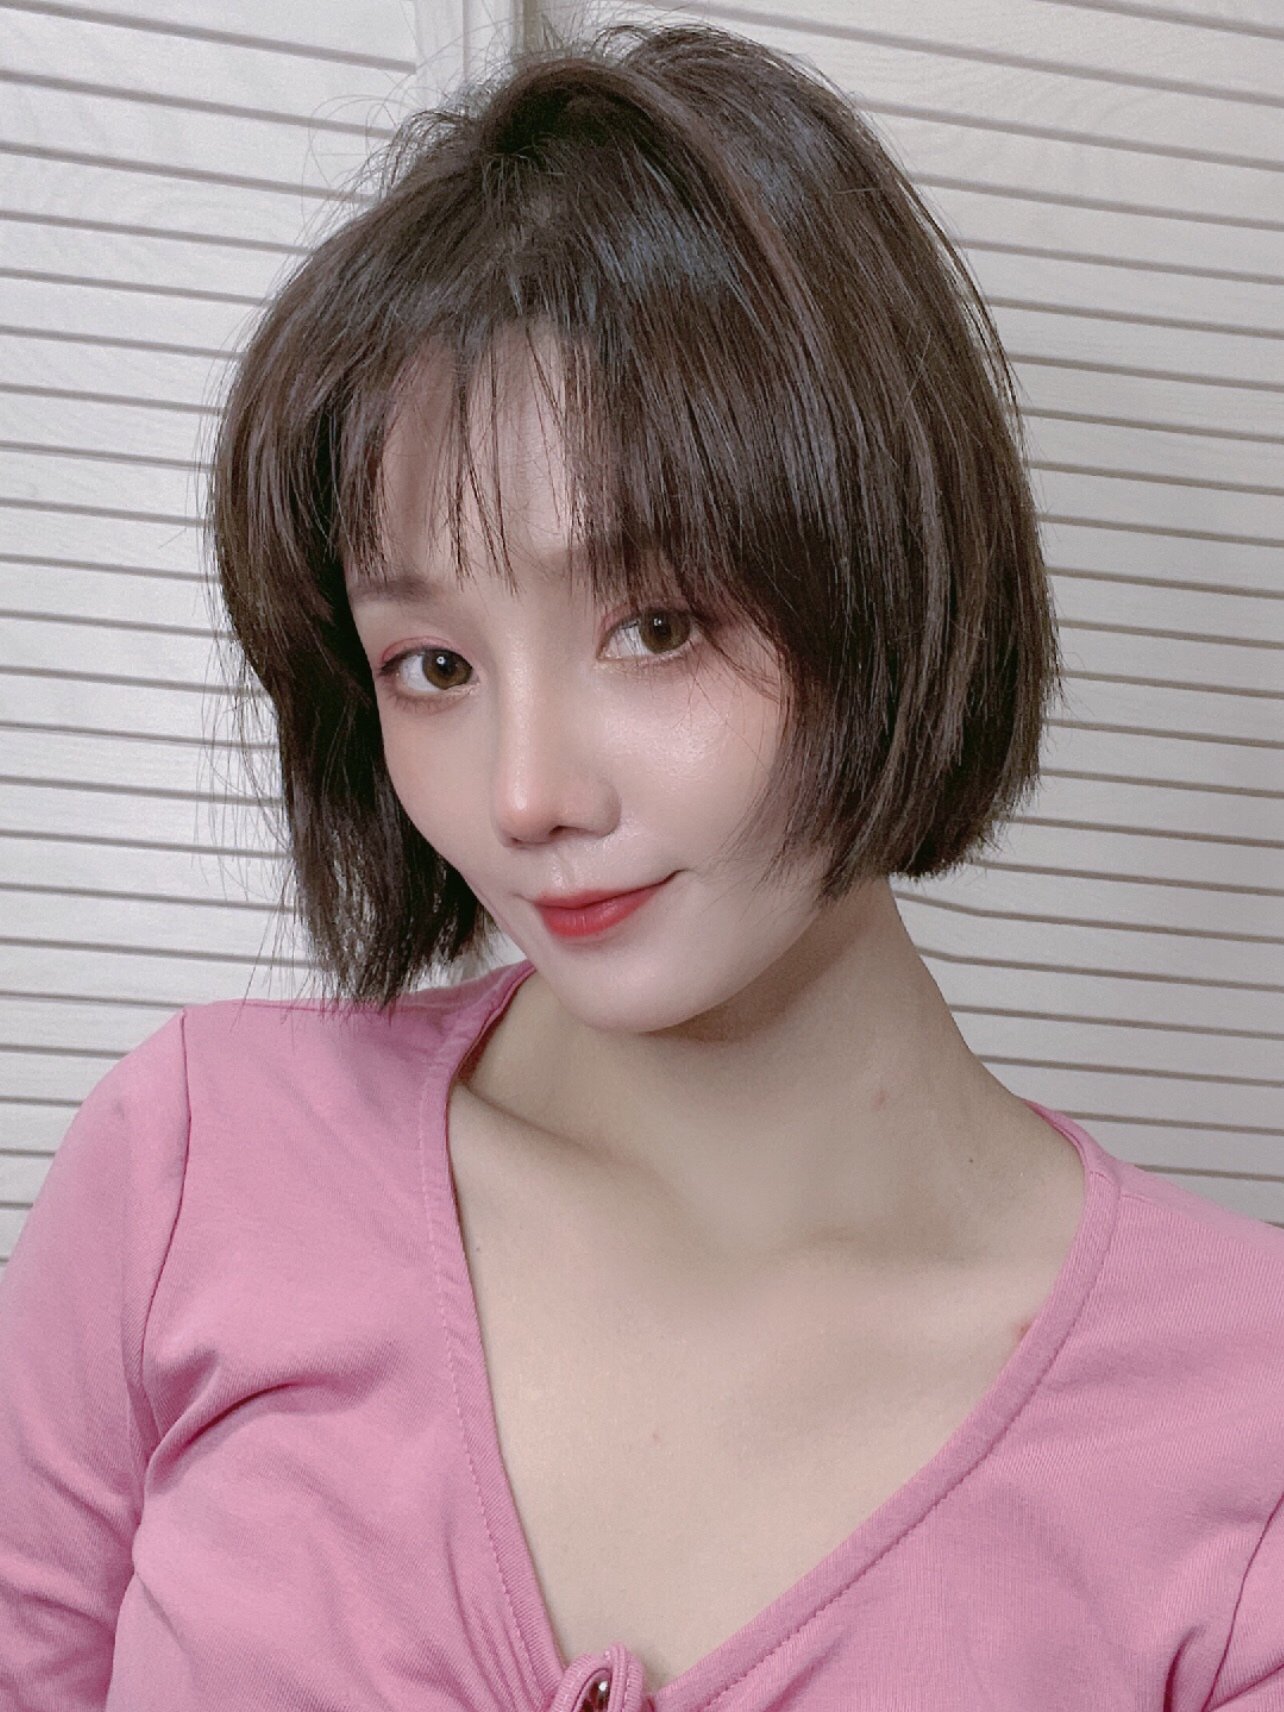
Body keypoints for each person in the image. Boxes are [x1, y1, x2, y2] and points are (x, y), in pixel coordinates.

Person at [0, 19, 1280, 1712]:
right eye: (432, 666)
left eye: (657, 626)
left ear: (889, 564)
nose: (525, 795)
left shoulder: (1243, 1422)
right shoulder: (191, 1169)